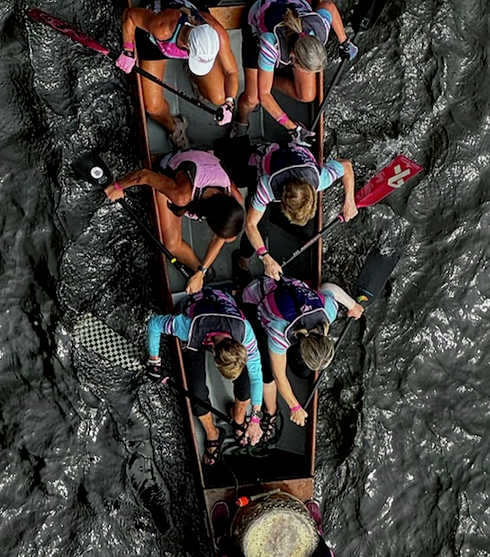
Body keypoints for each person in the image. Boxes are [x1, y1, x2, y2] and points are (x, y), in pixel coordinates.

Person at [146, 287, 264, 463]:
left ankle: (239, 418)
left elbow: (257, 376)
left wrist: (255, 418)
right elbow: (154, 324)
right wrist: (154, 361)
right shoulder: (186, 328)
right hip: (197, 324)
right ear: (214, 355)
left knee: (246, 385)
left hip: (221, 311)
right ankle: (213, 434)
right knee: (196, 393)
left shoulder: (245, 332)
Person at [106, 148, 245, 294]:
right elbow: (144, 175)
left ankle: (201, 273)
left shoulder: (235, 199)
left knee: (221, 240)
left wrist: (201, 272)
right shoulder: (183, 195)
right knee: (172, 245)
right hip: (171, 169)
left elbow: (221, 236)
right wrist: (117, 186)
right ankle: (199, 271)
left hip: (202, 160)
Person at [240, 274, 364, 430]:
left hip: (286, 289)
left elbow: (328, 288)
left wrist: (352, 305)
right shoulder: (279, 333)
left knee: (304, 371)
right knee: (267, 370)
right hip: (255, 298)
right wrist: (295, 407)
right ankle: (271, 411)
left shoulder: (329, 312)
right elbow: (279, 377)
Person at [117, 0, 238, 145]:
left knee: (220, 97)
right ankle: (174, 127)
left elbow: (231, 71)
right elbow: (129, 15)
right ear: (185, 46)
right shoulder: (163, 28)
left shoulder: (217, 34)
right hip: (158, 45)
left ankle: (195, 76)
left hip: (192, 47)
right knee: (153, 108)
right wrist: (128, 50)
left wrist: (229, 103)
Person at [243, 140, 358, 279]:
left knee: (307, 232)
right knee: (259, 229)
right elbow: (250, 224)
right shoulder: (267, 187)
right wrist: (265, 257)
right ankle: (243, 257)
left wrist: (349, 201)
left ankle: (270, 217)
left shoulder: (320, 179)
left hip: (293, 156)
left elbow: (346, 166)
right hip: (264, 162)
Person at [236, 0, 351, 131]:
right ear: (293, 57)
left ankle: (267, 79)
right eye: (306, 69)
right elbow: (264, 95)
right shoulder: (271, 46)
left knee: (307, 95)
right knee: (252, 99)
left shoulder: (320, 29)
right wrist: (292, 128)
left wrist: (344, 41)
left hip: (292, 6)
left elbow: (329, 6)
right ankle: (241, 121)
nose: (309, 74)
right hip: (259, 24)